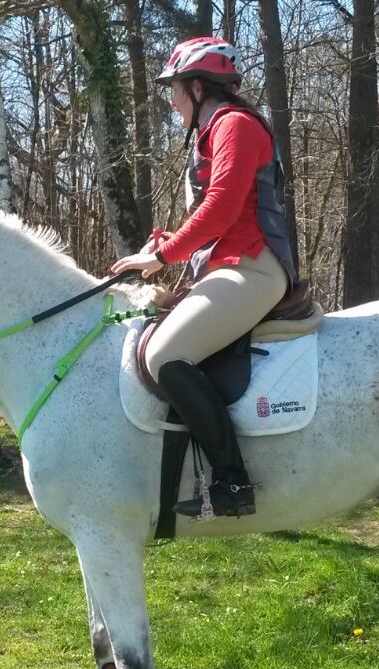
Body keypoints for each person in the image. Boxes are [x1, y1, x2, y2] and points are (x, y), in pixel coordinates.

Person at [110, 37, 298, 519]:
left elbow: (223, 205)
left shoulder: (234, 124)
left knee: (164, 354)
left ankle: (233, 483)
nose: (170, 101)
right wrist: (165, 243)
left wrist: (165, 255)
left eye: (173, 90)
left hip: (253, 268)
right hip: (229, 266)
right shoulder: (214, 130)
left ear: (197, 87)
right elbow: (221, 216)